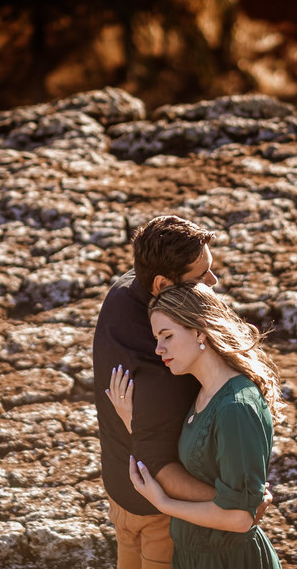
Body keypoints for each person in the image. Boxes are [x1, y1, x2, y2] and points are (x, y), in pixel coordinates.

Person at [106, 282, 285, 569]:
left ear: (200, 330)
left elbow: (240, 518)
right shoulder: (204, 392)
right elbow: (195, 463)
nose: (158, 349)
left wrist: (164, 504)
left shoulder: (236, 407)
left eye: (167, 336)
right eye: (155, 338)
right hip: (193, 558)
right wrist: (134, 421)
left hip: (231, 561)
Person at [93, 215, 221, 569]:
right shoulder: (167, 370)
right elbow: (161, 465)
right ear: (163, 283)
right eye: (200, 276)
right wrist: (233, 502)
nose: (214, 281)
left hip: (119, 490)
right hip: (158, 511)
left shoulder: (123, 291)